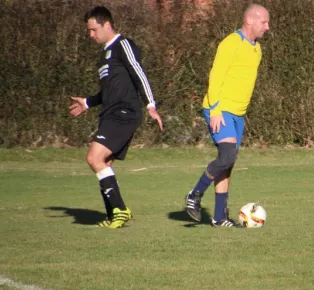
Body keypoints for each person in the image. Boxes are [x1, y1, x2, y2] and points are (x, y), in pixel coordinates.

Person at [69, 6, 163, 229]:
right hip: (110, 113)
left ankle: (120, 210)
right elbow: (109, 91)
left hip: (124, 112)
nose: (91, 35)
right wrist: (88, 103)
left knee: (94, 158)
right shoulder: (104, 57)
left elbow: (138, 72)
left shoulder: (123, 45)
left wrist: (150, 104)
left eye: (93, 30)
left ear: (106, 25)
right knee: (104, 163)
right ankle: (114, 215)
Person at [184, 4, 270, 227]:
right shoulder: (232, 42)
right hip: (220, 109)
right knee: (227, 156)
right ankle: (194, 194)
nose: (267, 27)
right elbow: (216, 76)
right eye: (264, 22)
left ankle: (219, 217)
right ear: (250, 20)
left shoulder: (257, 49)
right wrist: (215, 110)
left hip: (238, 114)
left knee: (227, 164)